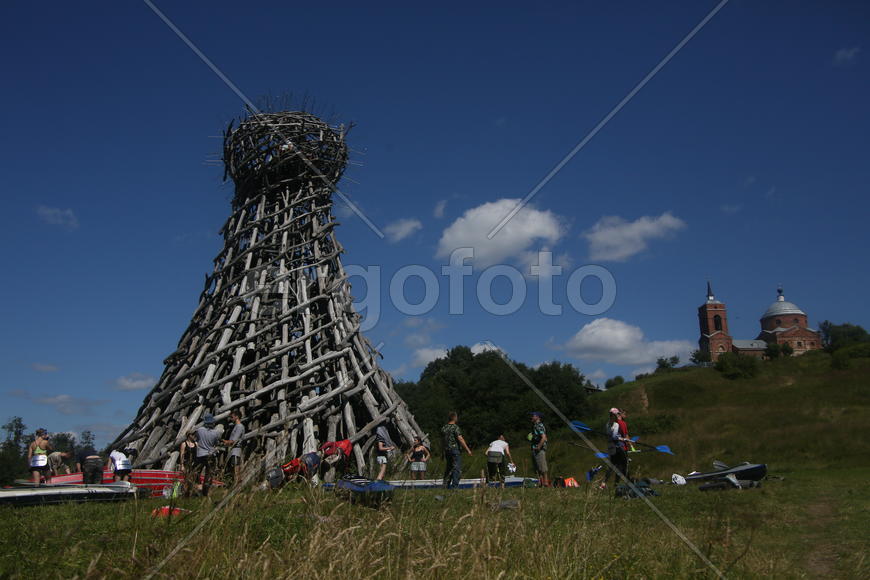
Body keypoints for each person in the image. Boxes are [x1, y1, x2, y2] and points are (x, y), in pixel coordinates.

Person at [441, 412, 472, 489]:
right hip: (455, 449)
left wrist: (442, 452)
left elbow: (442, 441)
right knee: (456, 468)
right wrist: (468, 449)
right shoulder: (455, 427)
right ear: (454, 418)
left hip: (447, 450)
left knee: (448, 468)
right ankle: (454, 486)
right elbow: (460, 438)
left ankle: (445, 485)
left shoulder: (444, 428)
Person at [195, 414, 221, 496]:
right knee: (209, 474)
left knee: (197, 472)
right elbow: (216, 443)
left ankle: (197, 488)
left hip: (200, 454)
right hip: (210, 454)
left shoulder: (200, 430)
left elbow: (197, 438)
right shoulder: (216, 433)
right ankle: (205, 491)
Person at [606, 408, 629, 489]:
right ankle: (626, 483)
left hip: (612, 447)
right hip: (619, 447)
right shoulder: (618, 424)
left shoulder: (608, 424)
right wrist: (623, 440)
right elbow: (618, 436)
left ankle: (607, 483)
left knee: (613, 466)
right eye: (617, 414)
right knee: (622, 466)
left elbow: (611, 436)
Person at [222, 412, 245, 483]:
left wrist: (225, 441)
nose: (231, 419)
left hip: (236, 450)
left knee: (236, 468)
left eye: (232, 417)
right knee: (234, 467)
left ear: (237, 417)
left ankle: (237, 484)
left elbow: (234, 441)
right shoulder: (237, 426)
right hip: (234, 450)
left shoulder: (239, 427)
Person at [530, 412, 549, 487]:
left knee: (542, 466)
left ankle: (545, 483)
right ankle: (540, 483)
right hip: (534, 448)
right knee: (537, 467)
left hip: (539, 449)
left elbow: (543, 437)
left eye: (533, 416)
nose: (531, 417)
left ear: (538, 417)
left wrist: (539, 446)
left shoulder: (538, 425)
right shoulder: (535, 426)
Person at [178, 431, 198, 495]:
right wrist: (182, 465)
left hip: (194, 464)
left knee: (193, 479)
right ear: (189, 435)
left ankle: (192, 493)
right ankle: (184, 493)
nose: (194, 436)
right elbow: (182, 455)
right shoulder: (184, 444)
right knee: (186, 479)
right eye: (193, 434)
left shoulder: (196, 444)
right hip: (186, 463)